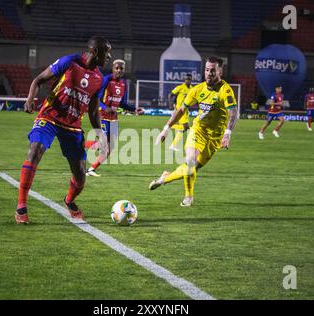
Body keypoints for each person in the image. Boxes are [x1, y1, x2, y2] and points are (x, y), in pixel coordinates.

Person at [14, 36, 112, 224]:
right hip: (49, 117)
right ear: (97, 52)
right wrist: (29, 99)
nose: (109, 57)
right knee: (34, 151)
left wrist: (101, 135)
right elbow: (39, 80)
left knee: (80, 176)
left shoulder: (99, 79)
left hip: (73, 126)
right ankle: (21, 207)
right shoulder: (69, 62)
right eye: (107, 53)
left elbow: (93, 110)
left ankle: (69, 201)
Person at [149, 56, 238, 207]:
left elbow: (234, 112)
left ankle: (165, 178)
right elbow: (181, 110)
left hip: (215, 138)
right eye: (207, 70)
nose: (209, 73)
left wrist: (227, 134)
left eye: (213, 70)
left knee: (191, 169)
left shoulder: (225, 90)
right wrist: (166, 128)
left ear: (220, 72)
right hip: (198, 131)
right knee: (190, 161)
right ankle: (188, 197)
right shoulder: (197, 90)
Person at [85, 59, 142, 177]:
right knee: (103, 143)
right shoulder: (106, 80)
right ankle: (81, 144)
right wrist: (104, 107)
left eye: (121, 69)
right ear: (113, 68)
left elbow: (122, 103)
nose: (119, 70)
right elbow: (97, 98)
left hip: (114, 119)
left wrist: (134, 109)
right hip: (102, 116)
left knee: (111, 148)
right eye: (117, 68)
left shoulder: (123, 83)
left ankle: (91, 169)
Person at [168, 73, 193, 151]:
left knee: (185, 128)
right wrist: (171, 105)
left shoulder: (192, 88)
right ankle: (175, 145)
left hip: (186, 111)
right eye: (186, 79)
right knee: (186, 127)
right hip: (180, 110)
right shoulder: (180, 87)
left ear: (191, 80)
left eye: (189, 79)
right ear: (184, 80)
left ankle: (172, 128)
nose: (187, 81)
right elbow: (170, 95)